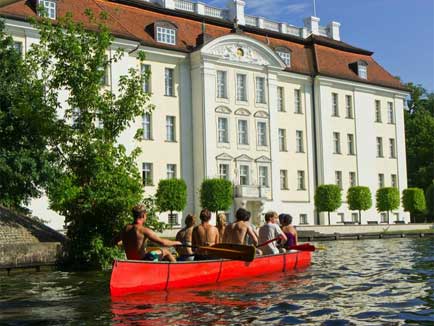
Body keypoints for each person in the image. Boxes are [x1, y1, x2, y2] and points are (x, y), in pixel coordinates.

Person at [115, 204, 181, 262]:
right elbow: (163, 242)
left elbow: (116, 242)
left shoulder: (125, 228)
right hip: (144, 261)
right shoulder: (144, 230)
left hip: (131, 261)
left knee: (149, 251)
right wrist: (176, 243)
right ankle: (177, 271)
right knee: (166, 252)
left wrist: (128, 243)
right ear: (143, 215)